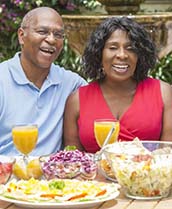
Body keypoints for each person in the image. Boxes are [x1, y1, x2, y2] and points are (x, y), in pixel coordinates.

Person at [63, 16, 172, 153]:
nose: (122, 55)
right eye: (113, 47)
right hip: (93, 175)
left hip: (149, 173)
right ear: (99, 54)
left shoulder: (164, 93)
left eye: (130, 48)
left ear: (140, 55)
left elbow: (168, 155)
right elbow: (72, 159)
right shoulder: (76, 100)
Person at [0, 7, 86, 156]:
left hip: (51, 176)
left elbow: (104, 99)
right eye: (42, 32)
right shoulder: (2, 79)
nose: (51, 39)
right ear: (21, 36)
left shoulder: (71, 83)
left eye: (58, 34)